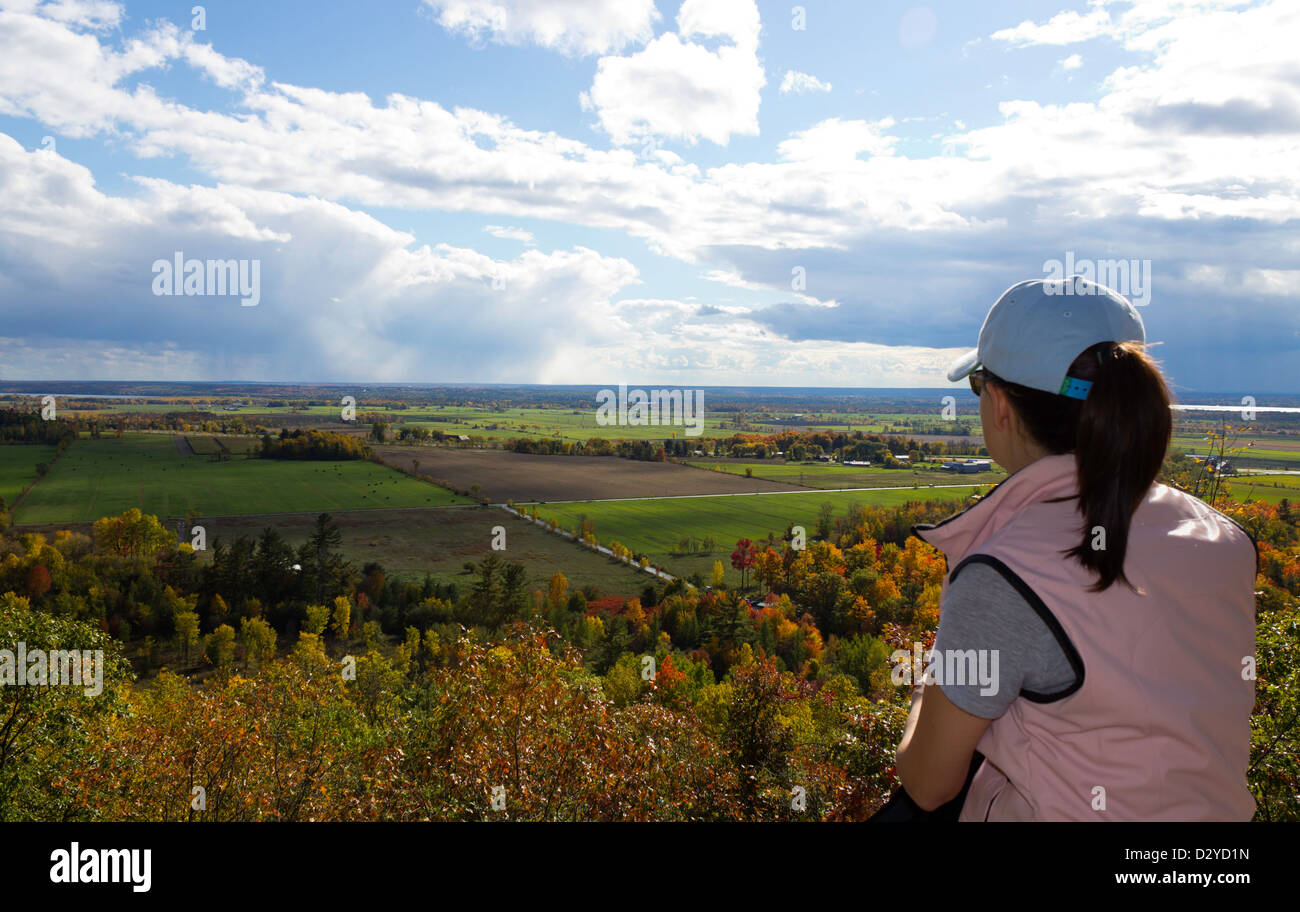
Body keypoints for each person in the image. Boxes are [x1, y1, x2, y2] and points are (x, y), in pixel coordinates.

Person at [883, 276, 1257, 821]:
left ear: (1002, 404)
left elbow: (929, 782)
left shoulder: (1007, 574)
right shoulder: (1222, 539)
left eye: (979, 386)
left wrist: (930, 686)